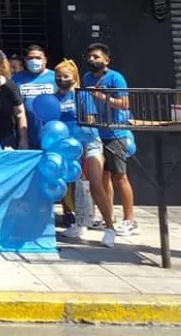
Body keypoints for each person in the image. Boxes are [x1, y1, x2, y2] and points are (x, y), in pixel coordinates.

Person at [55, 59, 118, 247]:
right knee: (76, 186)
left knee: (96, 184)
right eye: (58, 76)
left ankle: (109, 228)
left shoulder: (82, 95)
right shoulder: (54, 98)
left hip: (90, 143)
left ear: (74, 77)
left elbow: (90, 119)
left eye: (65, 76)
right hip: (69, 147)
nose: (61, 79)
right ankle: (80, 223)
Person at [81, 43, 137, 237]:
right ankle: (109, 216)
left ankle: (129, 219)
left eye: (96, 57)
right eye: (90, 56)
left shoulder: (115, 77)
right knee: (103, 177)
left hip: (116, 133)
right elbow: (87, 102)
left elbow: (124, 103)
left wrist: (102, 97)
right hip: (97, 134)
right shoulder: (87, 78)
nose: (92, 60)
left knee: (120, 176)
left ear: (106, 60)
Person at [13, 44, 57, 149]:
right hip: (26, 133)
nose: (34, 61)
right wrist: (23, 138)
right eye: (30, 58)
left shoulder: (56, 77)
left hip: (51, 134)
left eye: (38, 58)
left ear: (45, 60)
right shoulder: (17, 78)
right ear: (25, 60)